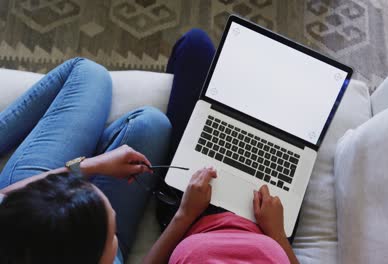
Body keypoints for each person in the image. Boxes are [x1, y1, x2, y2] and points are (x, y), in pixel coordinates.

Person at [0, 29, 299, 263]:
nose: (115, 235)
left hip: (34, 208)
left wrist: (93, 166)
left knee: (112, 91)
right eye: (111, 236)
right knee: (156, 111)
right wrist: (183, 217)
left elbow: (7, 197)